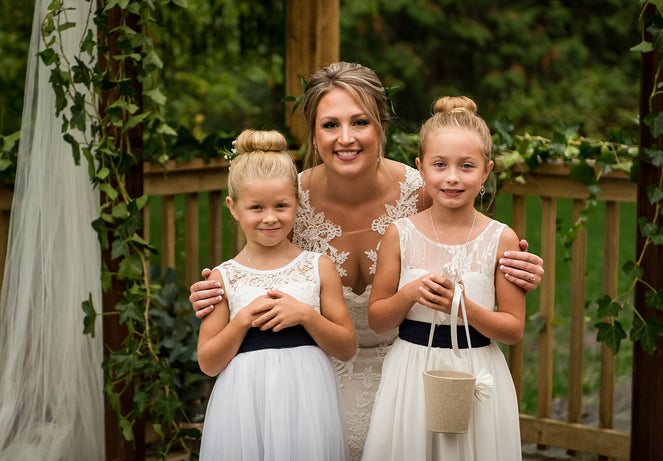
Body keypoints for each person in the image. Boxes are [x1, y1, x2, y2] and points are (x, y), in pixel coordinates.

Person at [190, 62, 543, 459]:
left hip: (412, 372)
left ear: (381, 126)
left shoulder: (423, 188)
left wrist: (517, 266)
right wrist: (218, 291)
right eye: (330, 125)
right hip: (312, 382)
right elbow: (253, 265)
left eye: (359, 122)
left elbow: (467, 237)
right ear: (313, 132)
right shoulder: (286, 200)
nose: (346, 138)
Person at [362, 96, 524, 460]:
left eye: (467, 166)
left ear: (486, 171)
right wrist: (410, 294)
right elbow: (377, 319)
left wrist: (461, 306)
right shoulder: (399, 234)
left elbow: (513, 330)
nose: (452, 177)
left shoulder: (502, 238)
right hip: (412, 370)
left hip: (478, 367)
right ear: (421, 168)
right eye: (440, 165)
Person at [196, 129, 356, 460]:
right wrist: (241, 321)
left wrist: (306, 315)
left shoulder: (318, 267)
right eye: (256, 207)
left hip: (308, 403)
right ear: (233, 207)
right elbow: (208, 362)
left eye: (281, 205)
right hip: (244, 407)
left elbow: (346, 347)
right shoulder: (223, 278)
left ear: (297, 203)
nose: (270, 217)